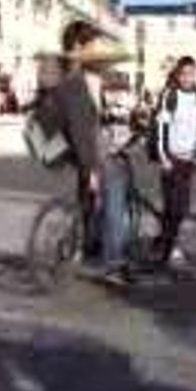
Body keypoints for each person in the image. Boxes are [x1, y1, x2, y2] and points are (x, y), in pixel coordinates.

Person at [52, 21, 133, 283]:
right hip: (89, 151)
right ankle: (113, 264)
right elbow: (80, 128)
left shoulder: (70, 74)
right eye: (92, 43)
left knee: (87, 200)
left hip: (80, 148)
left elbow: (86, 120)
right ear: (78, 46)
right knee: (115, 197)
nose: (97, 49)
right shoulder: (74, 81)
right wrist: (92, 168)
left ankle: (84, 246)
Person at [153, 56, 196, 267]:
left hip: (188, 160)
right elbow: (161, 129)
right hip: (172, 159)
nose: (188, 78)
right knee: (173, 207)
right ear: (178, 75)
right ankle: (167, 249)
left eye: (191, 74)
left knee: (182, 207)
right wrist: (164, 157)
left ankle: (164, 241)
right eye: (184, 74)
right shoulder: (170, 95)